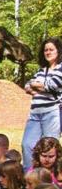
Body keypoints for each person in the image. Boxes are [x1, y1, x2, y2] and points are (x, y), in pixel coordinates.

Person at [22, 37, 62, 170]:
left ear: (58, 51)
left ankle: (50, 179)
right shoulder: (41, 70)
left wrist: (35, 86)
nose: (48, 52)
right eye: (46, 50)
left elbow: (52, 85)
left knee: (49, 149)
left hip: (51, 112)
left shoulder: (60, 68)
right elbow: (27, 86)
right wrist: (36, 86)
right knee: (27, 145)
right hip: (35, 113)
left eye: (51, 49)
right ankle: (30, 177)